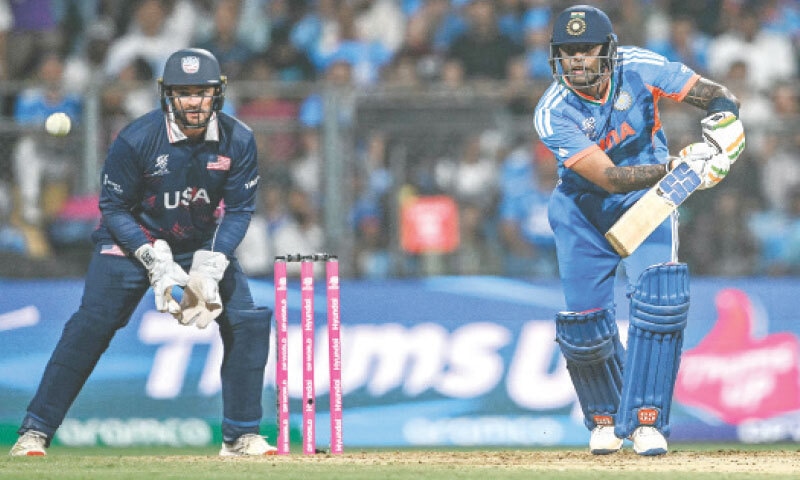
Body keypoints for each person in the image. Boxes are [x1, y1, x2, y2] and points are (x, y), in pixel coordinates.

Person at [10, 48, 276, 457]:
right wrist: (154, 261)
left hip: (198, 242)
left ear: (217, 94)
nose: (193, 102)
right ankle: (35, 431)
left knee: (247, 321)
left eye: (201, 93)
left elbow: (240, 210)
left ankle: (240, 436)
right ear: (166, 95)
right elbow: (113, 208)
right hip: (132, 240)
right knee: (91, 326)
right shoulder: (137, 139)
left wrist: (214, 262)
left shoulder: (238, 139)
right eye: (183, 92)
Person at [534, 5, 745, 456]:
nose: (576, 61)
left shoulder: (641, 65)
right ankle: (605, 419)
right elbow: (608, 179)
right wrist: (676, 165)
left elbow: (712, 93)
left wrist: (727, 122)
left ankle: (647, 420)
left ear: (608, 51)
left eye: (586, 50)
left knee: (660, 302)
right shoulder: (552, 111)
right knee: (585, 324)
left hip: (648, 204)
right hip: (581, 210)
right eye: (567, 52)